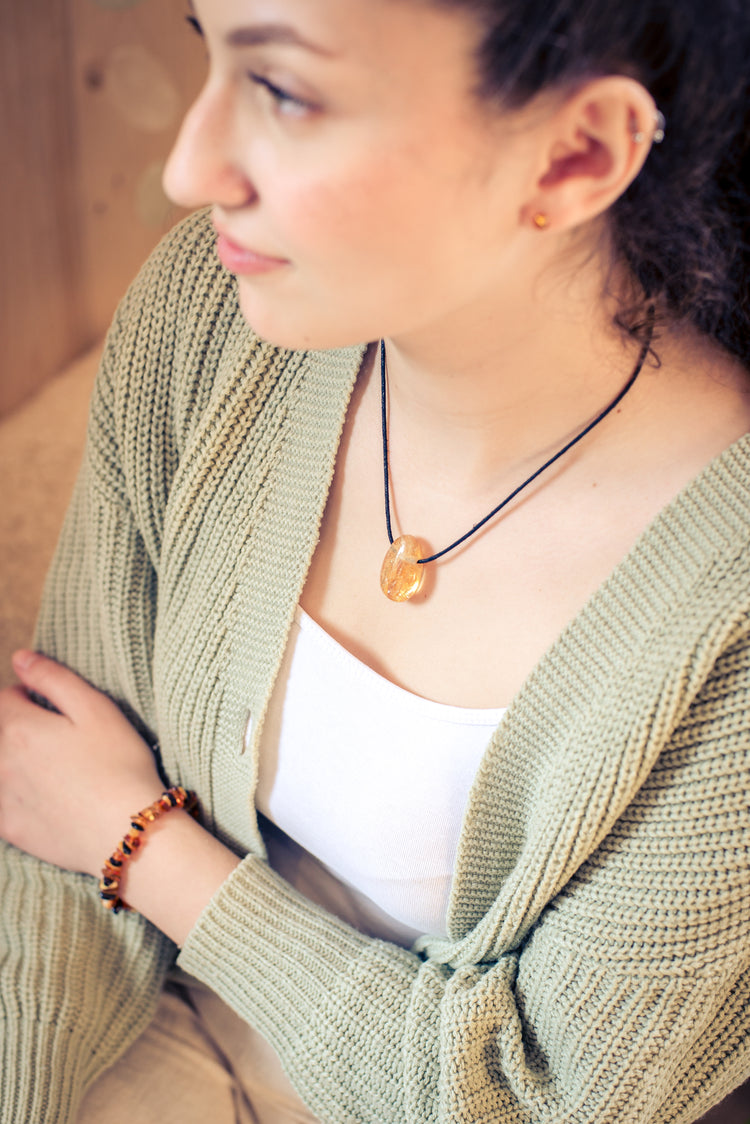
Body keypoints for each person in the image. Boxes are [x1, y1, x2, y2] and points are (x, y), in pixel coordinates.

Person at [0, 0, 749, 1120]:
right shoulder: (208, 311)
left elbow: (534, 1097)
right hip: (175, 1022)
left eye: (285, 91)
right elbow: (45, 793)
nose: (188, 167)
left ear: (575, 152)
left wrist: (142, 841)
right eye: (206, 49)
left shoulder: (724, 594)